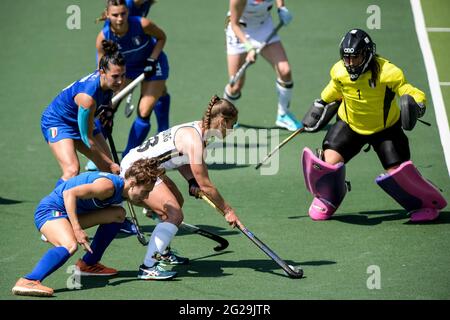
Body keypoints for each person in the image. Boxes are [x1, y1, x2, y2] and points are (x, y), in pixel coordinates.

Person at [301, 28, 447, 222]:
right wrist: (321, 103)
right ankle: (330, 197)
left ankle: (421, 202)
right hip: (350, 125)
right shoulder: (339, 70)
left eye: (356, 58)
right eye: (347, 58)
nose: (351, 63)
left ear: (368, 54)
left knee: (399, 174)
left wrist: (418, 104)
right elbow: (335, 89)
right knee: (327, 163)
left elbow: (409, 91)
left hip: (385, 130)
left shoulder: (388, 72)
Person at [120, 95, 243, 280]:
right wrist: (227, 211)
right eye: (232, 125)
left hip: (149, 169)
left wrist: (191, 180)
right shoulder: (195, 140)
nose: (231, 130)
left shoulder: (197, 129)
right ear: (223, 121)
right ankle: (148, 267)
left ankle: (162, 252)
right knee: (175, 214)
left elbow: (179, 157)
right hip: (135, 172)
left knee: (177, 201)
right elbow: (206, 185)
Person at [11, 158, 164, 297]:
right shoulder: (107, 187)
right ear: (132, 183)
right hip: (50, 211)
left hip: (67, 214)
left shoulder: (124, 189)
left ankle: (88, 264)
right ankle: (29, 280)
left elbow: (142, 202)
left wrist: (163, 215)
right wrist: (77, 230)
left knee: (118, 214)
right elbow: (69, 194)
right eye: (145, 192)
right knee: (70, 245)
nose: (146, 197)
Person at [40, 40, 125, 187]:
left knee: (109, 170)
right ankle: (54, 207)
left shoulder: (108, 82)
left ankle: (97, 205)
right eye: (116, 76)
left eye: (123, 75)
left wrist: (108, 111)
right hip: (59, 122)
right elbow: (87, 138)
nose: (120, 81)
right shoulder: (87, 98)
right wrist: (111, 163)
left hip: (84, 121)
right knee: (72, 170)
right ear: (102, 72)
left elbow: (104, 100)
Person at [96, 0, 170, 158]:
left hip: (152, 64)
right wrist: (106, 99)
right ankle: (101, 155)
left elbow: (162, 37)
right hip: (127, 69)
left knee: (144, 110)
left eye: (123, 14)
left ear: (128, 12)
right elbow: (102, 70)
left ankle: (128, 156)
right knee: (105, 110)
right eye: (115, 15)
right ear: (108, 15)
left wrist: (152, 59)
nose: (120, 18)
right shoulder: (104, 37)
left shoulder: (142, 24)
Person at [223, 0, 302, 131]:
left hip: (264, 28)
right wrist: (249, 47)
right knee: (236, 85)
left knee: (285, 71)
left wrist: (281, 8)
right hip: (239, 31)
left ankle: (283, 114)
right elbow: (235, 24)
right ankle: (226, 116)